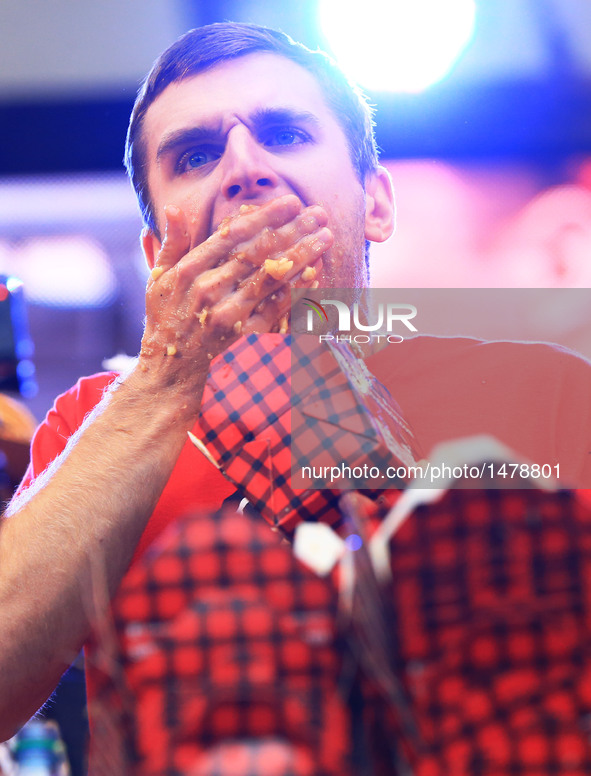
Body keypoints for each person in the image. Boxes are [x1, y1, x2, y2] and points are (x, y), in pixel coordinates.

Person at [2, 21, 591, 776]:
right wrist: (163, 381)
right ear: (156, 257)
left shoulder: (543, 389)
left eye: (283, 133)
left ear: (376, 203)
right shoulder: (96, 425)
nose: (245, 169)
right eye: (196, 155)